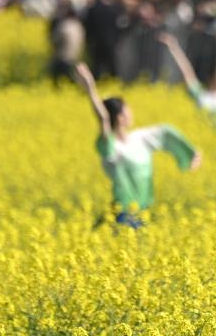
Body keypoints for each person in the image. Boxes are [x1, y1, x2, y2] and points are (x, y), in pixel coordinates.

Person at [74, 62, 202, 227]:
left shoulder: (140, 138)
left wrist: (191, 154)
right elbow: (104, 120)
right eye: (127, 110)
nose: (131, 112)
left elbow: (166, 132)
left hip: (143, 213)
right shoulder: (112, 149)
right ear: (120, 118)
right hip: (123, 215)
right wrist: (90, 89)